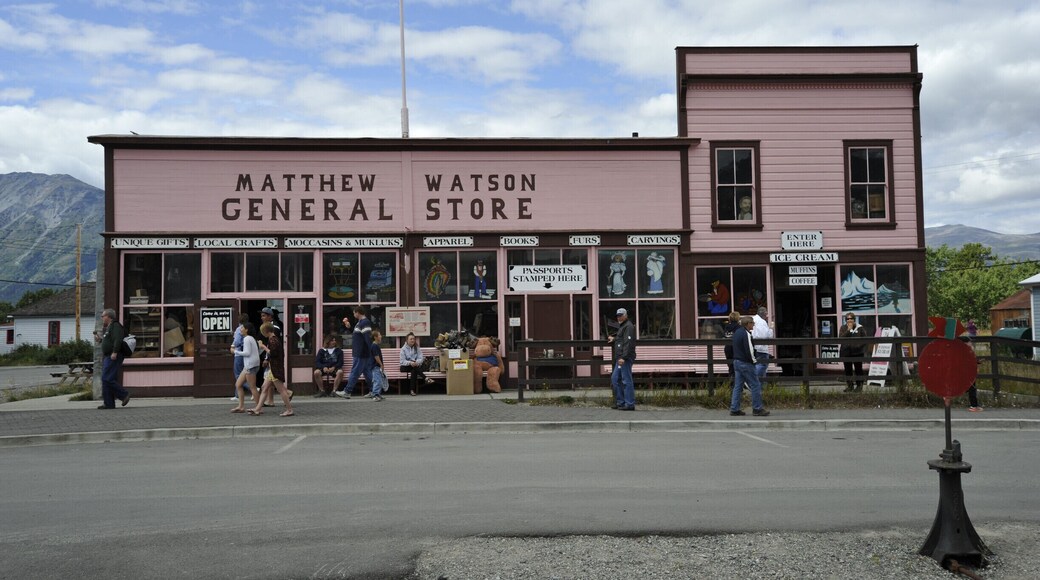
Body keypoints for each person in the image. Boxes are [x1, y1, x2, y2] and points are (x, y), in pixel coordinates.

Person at [248, 322, 294, 417]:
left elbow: (273, 353)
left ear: (266, 331)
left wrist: (263, 347)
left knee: (281, 390)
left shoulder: (273, 341)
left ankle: (289, 409)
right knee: (264, 388)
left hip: (275, 369)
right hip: (273, 368)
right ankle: (257, 409)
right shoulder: (274, 339)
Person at [730, 315, 769, 416]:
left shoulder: (737, 332)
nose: (754, 325)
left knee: (738, 386)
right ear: (748, 324)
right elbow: (749, 349)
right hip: (745, 362)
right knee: (755, 385)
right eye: (752, 323)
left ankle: (734, 408)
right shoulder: (746, 334)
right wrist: (754, 361)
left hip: (737, 361)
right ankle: (757, 408)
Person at [95, 308, 131, 409]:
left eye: (103, 316)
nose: (102, 318)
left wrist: (115, 352)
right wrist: (101, 340)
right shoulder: (109, 327)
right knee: (106, 379)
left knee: (107, 378)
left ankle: (124, 394)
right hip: (108, 355)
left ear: (109, 316)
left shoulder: (115, 326)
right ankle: (109, 403)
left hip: (114, 355)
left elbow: (117, 339)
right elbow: (110, 341)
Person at [336, 305, 373, 398]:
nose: (353, 314)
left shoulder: (365, 322)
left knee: (355, 371)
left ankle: (347, 391)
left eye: (354, 312)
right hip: (361, 352)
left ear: (357, 312)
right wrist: (349, 327)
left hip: (361, 352)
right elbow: (360, 335)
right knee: (367, 372)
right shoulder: (360, 322)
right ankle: (374, 390)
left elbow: (367, 337)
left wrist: (371, 349)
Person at [606, 307, 636, 411]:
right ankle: (621, 402)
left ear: (625, 315)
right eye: (618, 315)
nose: (619, 317)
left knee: (626, 380)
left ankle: (629, 404)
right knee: (615, 379)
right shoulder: (623, 326)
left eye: (621, 315)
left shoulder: (629, 326)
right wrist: (614, 338)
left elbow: (628, 343)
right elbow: (622, 339)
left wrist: (624, 357)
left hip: (625, 358)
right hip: (620, 358)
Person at [229, 323, 260, 412]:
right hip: (249, 365)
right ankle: (241, 406)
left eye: (242, 328)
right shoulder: (250, 338)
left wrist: (235, 351)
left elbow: (247, 353)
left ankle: (258, 408)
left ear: (246, 330)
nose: (240, 329)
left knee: (252, 387)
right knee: (238, 384)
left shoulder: (247, 339)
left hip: (250, 366)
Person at [839, 313, 866, 392]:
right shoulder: (843, 328)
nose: (849, 320)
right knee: (848, 370)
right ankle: (850, 386)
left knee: (858, 370)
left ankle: (859, 386)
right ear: (846, 320)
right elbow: (841, 338)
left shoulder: (860, 328)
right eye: (848, 319)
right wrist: (848, 330)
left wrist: (858, 346)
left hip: (857, 353)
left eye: (851, 319)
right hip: (846, 352)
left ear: (854, 319)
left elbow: (865, 339)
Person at [230, 313, 250, 401]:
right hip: (244, 353)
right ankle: (237, 395)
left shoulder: (239, 328)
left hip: (238, 353)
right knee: (242, 373)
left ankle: (252, 388)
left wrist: (233, 346)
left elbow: (237, 341)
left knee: (238, 374)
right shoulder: (247, 328)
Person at [364, 329, 388, 401]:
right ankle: (375, 395)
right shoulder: (374, 346)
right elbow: (376, 356)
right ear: (375, 337)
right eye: (379, 335)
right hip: (375, 366)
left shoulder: (375, 345)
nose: (381, 336)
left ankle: (378, 394)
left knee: (379, 380)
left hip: (376, 366)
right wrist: (381, 364)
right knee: (377, 381)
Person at [751, 306, 773, 379]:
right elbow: (764, 336)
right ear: (764, 313)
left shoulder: (753, 319)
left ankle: (759, 386)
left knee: (757, 366)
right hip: (761, 348)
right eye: (766, 313)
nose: (767, 315)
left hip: (753, 346)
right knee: (762, 365)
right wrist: (771, 329)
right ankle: (752, 380)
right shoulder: (761, 322)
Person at [722, 310, 742, 376]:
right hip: (736, 348)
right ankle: (737, 382)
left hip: (727, 348)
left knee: (731, 366)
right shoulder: (739, 327)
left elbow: (725, 335)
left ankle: (731, 381)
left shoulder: (727, 327)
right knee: (738, 367)